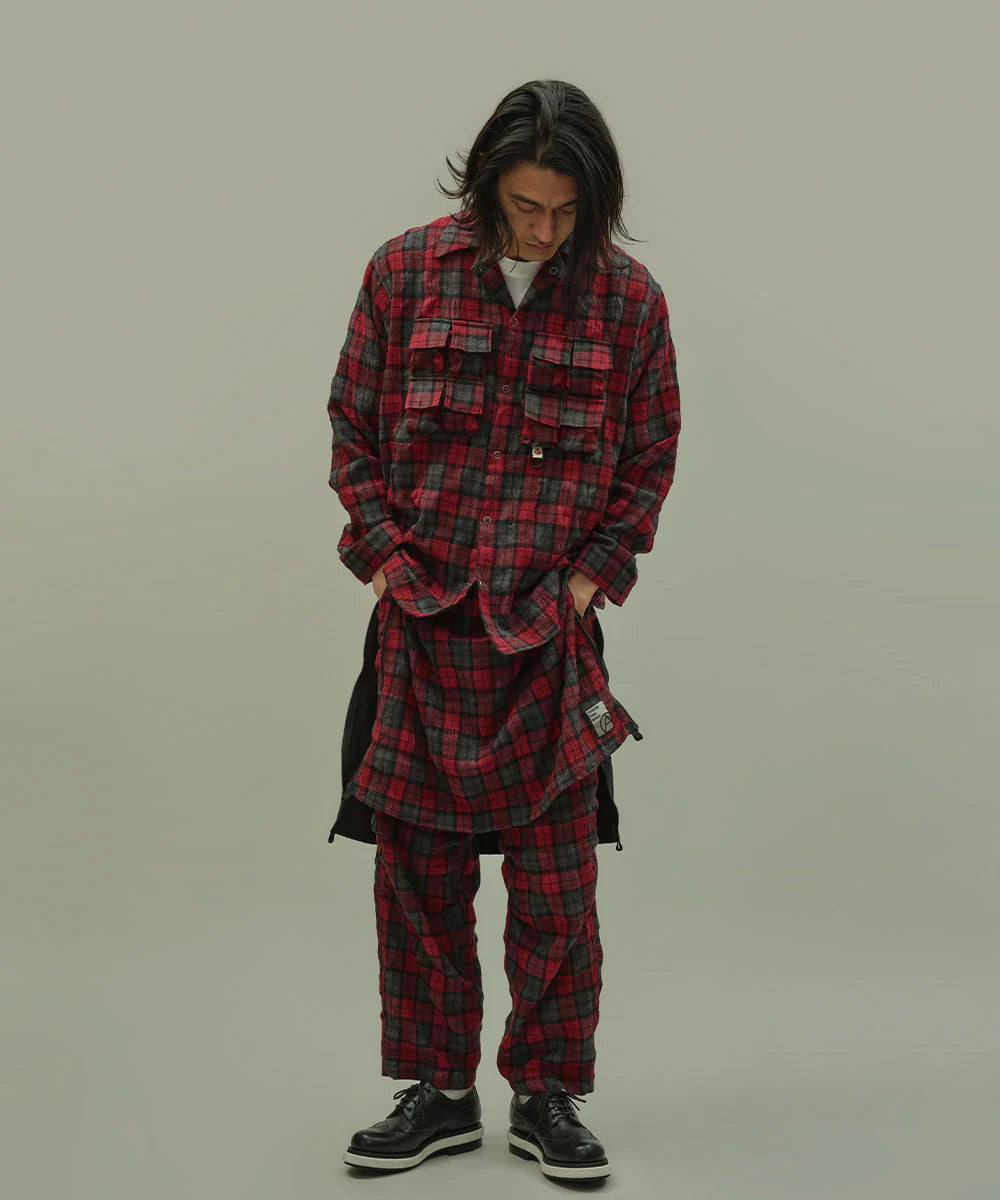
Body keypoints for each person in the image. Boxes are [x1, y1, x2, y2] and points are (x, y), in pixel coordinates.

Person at [327, 78, 681, 1181]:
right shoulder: (401, 274)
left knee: (557, 890)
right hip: (422, 629)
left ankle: (547, 1093)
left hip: (549, 639)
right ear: (485, 186)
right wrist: (387, 565)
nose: (544, 229)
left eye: (567, 211)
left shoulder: (628, 303)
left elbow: (650, 458)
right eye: (526, 206)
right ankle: (437, 1094)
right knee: (417, 883)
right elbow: (351, 430)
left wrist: (584, 586)